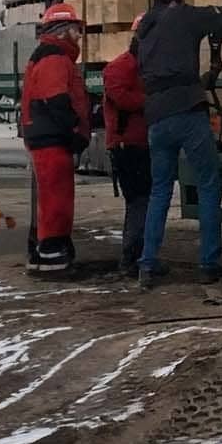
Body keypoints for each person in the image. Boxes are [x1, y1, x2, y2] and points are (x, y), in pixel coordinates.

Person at [134, 0, 222, 288]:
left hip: (156, 118)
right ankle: (209, 263)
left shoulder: (144, 32)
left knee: (160, 191)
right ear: (174, 3)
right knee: (208, 183)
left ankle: (148, 264)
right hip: (187, 112)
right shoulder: (180, 14)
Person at [20, 3, 91, 275]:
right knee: (56, 200)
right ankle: (52, 254)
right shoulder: (54, 58)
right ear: (64, 31)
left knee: (51, 197)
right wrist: (73, 129)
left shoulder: (48, 56)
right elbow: (56, 99)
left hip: (46, 137)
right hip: (52, 140)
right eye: (75, 30)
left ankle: (46, 252)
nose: (78, 37)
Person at [101, 14, 150, 277]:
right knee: (139, 202)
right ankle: (132, 258)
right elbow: (123, 98)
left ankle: (139, 255)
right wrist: (152, 99)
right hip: (128, 147)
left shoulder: (143, 66)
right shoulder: (120, 68)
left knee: (144, 202)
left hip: (142, 144)